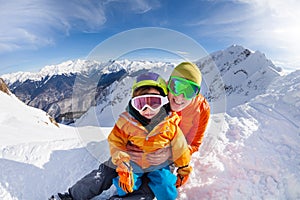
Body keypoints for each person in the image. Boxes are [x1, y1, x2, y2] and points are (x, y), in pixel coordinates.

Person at [50, 62, 210, 200]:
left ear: (196, 93)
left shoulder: (198, 110)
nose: (181, 96)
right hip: (132, 154)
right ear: (168, 84)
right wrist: (125, 153)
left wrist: (171, 157)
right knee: (106, 172)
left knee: (152, 188)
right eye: (177, 86)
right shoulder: (156, 95)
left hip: (162, 161)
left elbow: (191, 144)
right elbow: (131, 117)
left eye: (189, 91)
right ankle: (70, 196)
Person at [107, 72, 191, 200]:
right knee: (124, 184)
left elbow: (181, 147)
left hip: (159, 163)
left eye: (154, 102)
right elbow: (115, 142)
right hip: (135, 162)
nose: (147, 109)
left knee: (166, 186)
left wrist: (184, 168)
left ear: (164, 101)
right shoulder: (127, 122)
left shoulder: (169, 124)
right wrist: (123, 164)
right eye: (141, 104)